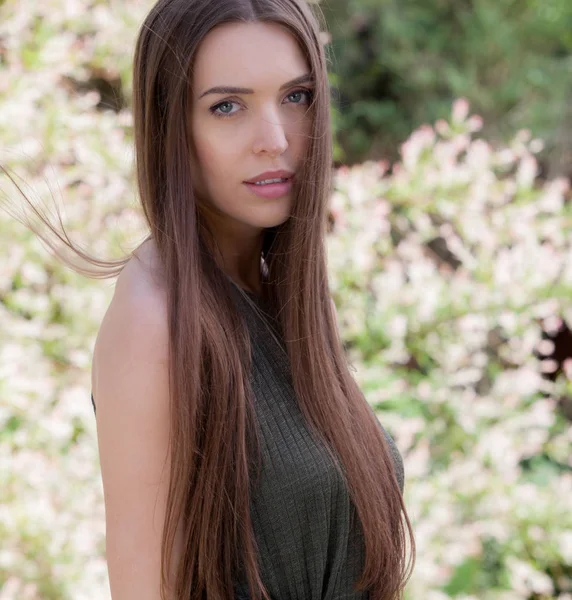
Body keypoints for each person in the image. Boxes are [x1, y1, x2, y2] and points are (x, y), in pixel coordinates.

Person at [1, 0, 415, 598]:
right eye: (227, 106)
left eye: (295, 97)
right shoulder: (155, 318)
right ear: (173, 126)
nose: (274, 140)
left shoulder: (275, 290)